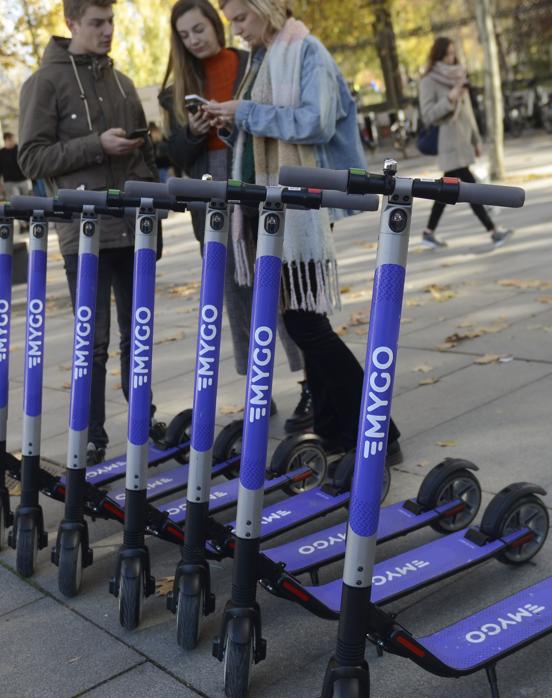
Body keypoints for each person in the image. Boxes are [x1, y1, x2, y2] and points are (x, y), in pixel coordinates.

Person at [209, 0, 402, 461]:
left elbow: (313, 122)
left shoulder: (306, 50)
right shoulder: (266, 56)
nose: (235, 29)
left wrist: (246, 113)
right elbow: (264, 135)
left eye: (240, 17)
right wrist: (230, 121)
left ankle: (380, 432)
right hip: (274, 202)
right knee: (301, 322)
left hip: (302, 203)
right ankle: (336, 432)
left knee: (305, 323)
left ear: (266, 7)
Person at [159, 0, 312, 431]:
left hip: (255, 177)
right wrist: (192, 130)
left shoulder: (252, 59)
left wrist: (233, 117)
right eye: (185, 35)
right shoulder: (176, 86)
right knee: (233, 293)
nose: (194, 39)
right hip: (208, 192)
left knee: (277, 284)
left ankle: (308, 381)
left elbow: (275, 115)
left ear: (216, 23)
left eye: (199, 28)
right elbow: (174, 154)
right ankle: (256, 389)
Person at [18, 0, 157, 465]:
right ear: (72, 23)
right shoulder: (45, 82)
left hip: (133, 226)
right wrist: (96, 145)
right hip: (84, 233)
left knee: (136, 333)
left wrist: (151, 220)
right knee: (92, 340)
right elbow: (32, 159)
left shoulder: (122, 82)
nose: (107, 30)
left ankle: (142, 419)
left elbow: (144, 161)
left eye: (111, 21)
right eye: (97, 23)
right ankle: (92, 433)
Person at [416, 37, 513, 250]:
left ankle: (428, 232)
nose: (451, 58)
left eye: (453, 53)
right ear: (439, 55)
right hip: (448, 144)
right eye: (447, 54)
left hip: (463, 143)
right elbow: (428, 115)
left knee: (447, 190)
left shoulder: (459, 76)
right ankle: (493, 231)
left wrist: (476, 140)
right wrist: (449, 99)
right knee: (469, 189)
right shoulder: (429, 81)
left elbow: (468, 113)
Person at [0, 132, 31, 200]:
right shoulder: (0, 153)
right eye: (11, 140)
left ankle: (26, 211)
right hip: (10, 182)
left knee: (26, 200)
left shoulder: (19, 149)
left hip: (23, 180)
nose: (14, 141)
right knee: (16, 201)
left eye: (14, 139)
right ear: (6, 140)